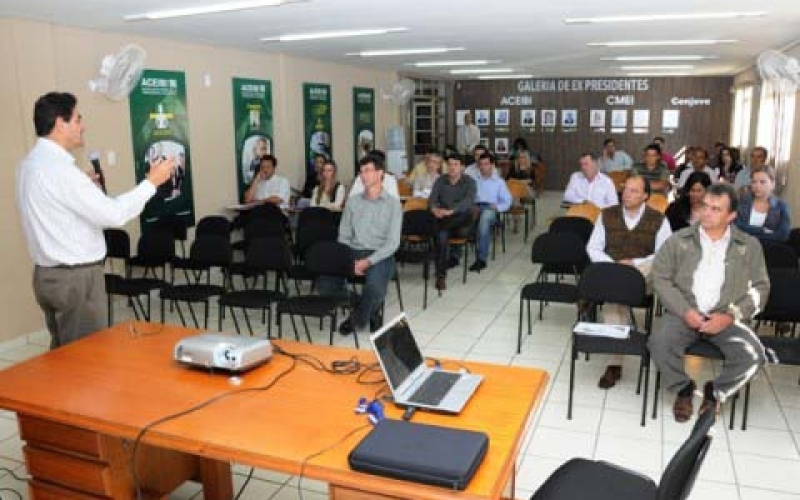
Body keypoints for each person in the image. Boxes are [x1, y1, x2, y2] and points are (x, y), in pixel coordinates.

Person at [16, 92, 174, 348]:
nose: (83, 125)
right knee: (86, 358)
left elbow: (56, 208)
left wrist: (84, 189)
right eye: (78, 119)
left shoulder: (29, 165)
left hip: (47, 276)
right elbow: (114, 214)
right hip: (76, 279)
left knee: (63, 354)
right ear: (60, 123)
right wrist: (152, 182)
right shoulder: (61, 172)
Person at [649, 183, 769, 422]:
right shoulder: (678, 240)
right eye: (705, 206)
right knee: (659, 342)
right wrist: (685, 312)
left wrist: (730, 317)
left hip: (725, 315)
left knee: (753, 355)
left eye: (716, 209)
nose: (706, 213)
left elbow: (761, 288)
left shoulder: (749, 246)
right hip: (685, 313)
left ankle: (715, 393)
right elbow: (660, 278)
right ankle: (683, 389)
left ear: (731, 215)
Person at [586, 175, 672, 388]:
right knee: (615, 296)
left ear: (645, 196)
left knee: (649, 267)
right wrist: (614, 265)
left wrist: (633, 263)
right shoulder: (606, 215)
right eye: (626, 189)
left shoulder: (659, 219)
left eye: (634, 191)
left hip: (644, 274)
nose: (627, 194)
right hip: (614, 271)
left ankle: (616, 283)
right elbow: (593, 247)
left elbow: (664, 254)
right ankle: (615, 364)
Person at [328, 155, 402, 334]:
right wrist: (348, 260)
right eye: (361, 172)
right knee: (325, 283)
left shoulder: (393, 204)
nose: (363, 175)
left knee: (375, 288)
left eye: (368, 171)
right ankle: (370, 310)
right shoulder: (353, 202)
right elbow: (343, 235)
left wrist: (368, 262)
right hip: (353, 251)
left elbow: (393, 243)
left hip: (380, 254)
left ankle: (357, 318)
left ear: (380, 173)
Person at [429, 154, 477, 291]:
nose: (452, 167)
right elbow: (432, 198)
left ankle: (437, 228)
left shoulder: (469, 182)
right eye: (449, 164)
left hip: (461, 219)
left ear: (462, 167)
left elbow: (468, 201)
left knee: (440, 228)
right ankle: (441, 276)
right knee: (442, 234)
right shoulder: (441, 180)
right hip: (443, 218)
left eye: (455, 164)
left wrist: (452, 211)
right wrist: (434, 209)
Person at [468, 154, 512, 272]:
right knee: (460, 217)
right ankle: (454, 256)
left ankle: (481, 259)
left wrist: (497, 207)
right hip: (476, 207)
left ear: (492, 165)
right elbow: (468, 197)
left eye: (486, 164)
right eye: (481, 164)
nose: (483, 167)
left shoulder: (499, 182)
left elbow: (507, 201)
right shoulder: (474, 180)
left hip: (491, 209)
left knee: (484, 220)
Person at [735, 166, 790, 242]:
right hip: (743, 246)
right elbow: (736, 226)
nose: (757, 186)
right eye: (754, 182)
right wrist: (761, 230)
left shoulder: (781, 206)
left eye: (762, 182)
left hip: (769, 248)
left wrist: (752, 236)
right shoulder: (742, 201)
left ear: (772, 184)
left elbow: (782, 235)